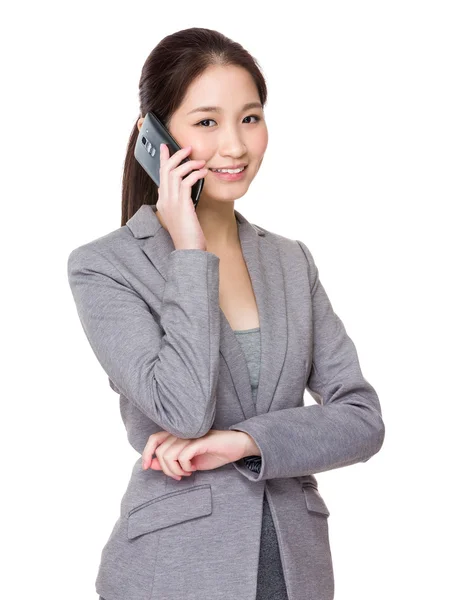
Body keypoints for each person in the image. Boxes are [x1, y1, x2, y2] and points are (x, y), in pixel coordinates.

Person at [67, 27, 385, 600]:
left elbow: (362, 419)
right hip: (172, 572)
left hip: (295, 570)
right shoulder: (104, 267)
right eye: (207, 122)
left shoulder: (291, 261)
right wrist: (190, 253)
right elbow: (184, 412)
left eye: (251, 117)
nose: (235, 146)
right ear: (154, 137)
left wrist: (245, 441)